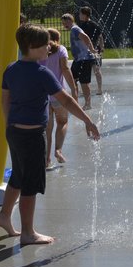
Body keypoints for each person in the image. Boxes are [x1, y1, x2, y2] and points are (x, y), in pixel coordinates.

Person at [0, 23, 100, 245]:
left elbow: (5, 100)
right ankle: (28, 233)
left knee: (18, 176)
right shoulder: (42, 73)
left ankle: (4, 215)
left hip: (14, 132)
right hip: (32, 136)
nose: (49, 48)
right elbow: (66, 101)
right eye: (45, 45)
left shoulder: (11, 69)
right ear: (32, 47)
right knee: (30, 184)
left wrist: (8, 123)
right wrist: (88, 120)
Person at [40, 27, 78, 168]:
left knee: (47, 129)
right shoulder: (61, 50)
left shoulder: (40, 51)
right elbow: (65, 69)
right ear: (58, 39)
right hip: (58, 94)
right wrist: (73, 88)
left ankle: (46, 160)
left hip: (43, 95)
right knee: (62, 122)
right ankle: (58, 150)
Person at [61, 13, 97, 108]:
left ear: (71, 21)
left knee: (84, 83)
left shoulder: (75, 29)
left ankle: (88, 104)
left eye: (66, 23)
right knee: (73, 80)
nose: (64, 25)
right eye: (63, 23)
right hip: (78, 60)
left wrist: (92, 49)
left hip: (84, 59)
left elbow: (85, 37)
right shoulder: (74, 30)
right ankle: (75, 103)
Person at [77, 6, 105, 95]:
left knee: (87, 71)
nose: (79, 15)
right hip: (95, 50)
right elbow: (101, 37)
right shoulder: (94, 24)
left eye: (80, 14)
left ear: (85, 15)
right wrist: (102, 48)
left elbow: (81, 39)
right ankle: (99, 89)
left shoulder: (82, 26)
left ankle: (87, 89)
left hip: (88, 51)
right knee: (96, 70)